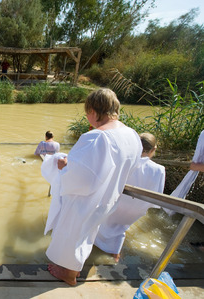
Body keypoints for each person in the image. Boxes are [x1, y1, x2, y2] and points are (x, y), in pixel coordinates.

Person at [43, 88, 142, 286]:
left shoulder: (97, 137)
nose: (87, 117)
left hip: (86, 198)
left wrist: (64, 167)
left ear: (95, 112)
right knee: (88, 232)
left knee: (73, 234)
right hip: (109, 196)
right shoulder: (132, 135)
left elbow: (81, 178)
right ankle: (74, 268)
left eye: (87, 112)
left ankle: (69, 274)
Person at [94, 133, 165, 262]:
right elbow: (156, 197)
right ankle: (114, 255)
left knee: (104, 220)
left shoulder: (124, 161)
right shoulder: (160, 169)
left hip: (117, 203)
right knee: (120, 227)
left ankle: (95, 245)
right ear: (153, 149)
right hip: (138, 209)